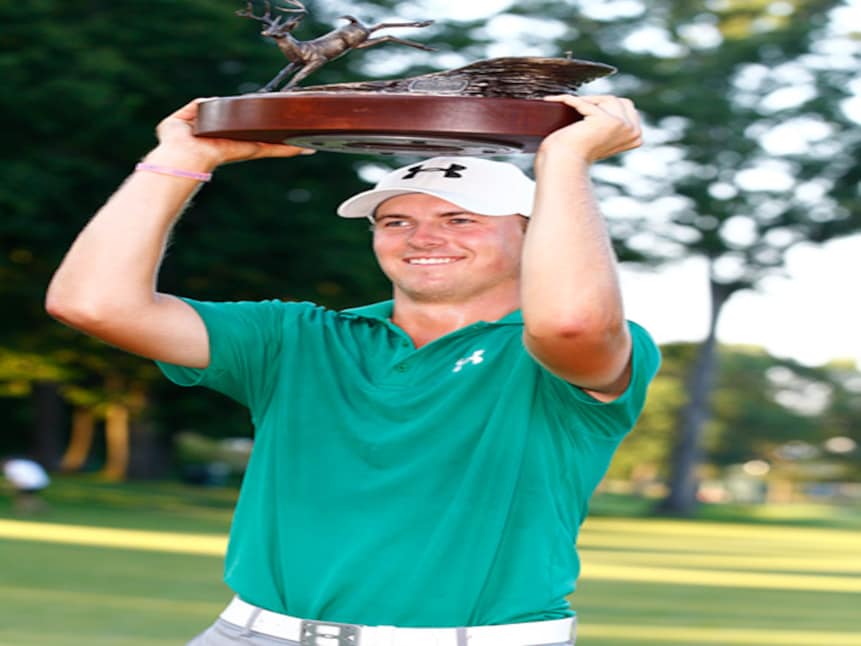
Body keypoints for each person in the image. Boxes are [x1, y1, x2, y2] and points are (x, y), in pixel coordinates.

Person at [46, 93, 660, 646]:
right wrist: (180, 158)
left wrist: (566, 162)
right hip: (255, 633)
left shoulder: (571, 352)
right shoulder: (296, 338)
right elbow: (92, 303)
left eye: (460, 219)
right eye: (397, 221)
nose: (422, 237)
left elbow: (571, 323)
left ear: (533, 236)